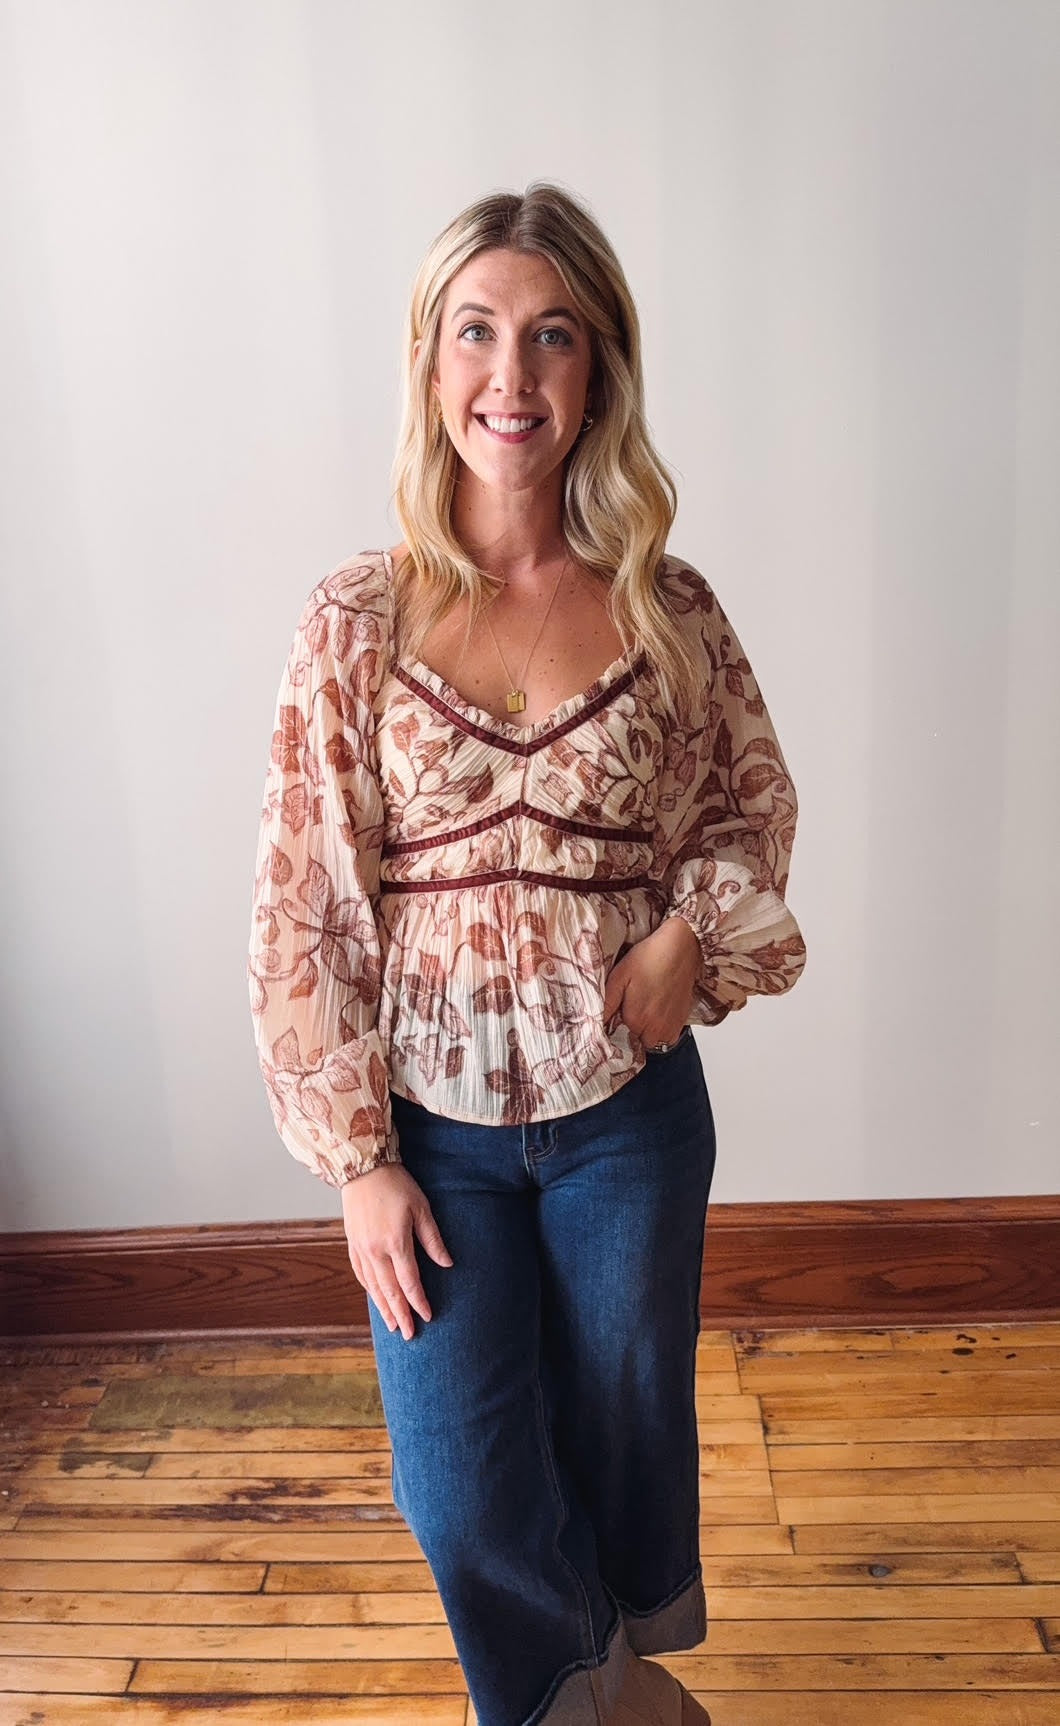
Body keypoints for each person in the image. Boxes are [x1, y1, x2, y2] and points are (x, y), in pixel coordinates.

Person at [248, 181, 806, 1726]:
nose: (514, 374)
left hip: (627, 1121)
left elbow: (755, 815)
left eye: (554, 336)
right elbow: (305, 900)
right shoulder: (353, 624)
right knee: (463, 1488)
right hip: (433, 1140)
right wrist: (358, 1156)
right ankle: (615, 1704)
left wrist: (691, 937)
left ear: (601, 372)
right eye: (479, 332)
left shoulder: (666, 611)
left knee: (618, 1438)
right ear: (431, 365)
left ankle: (600, 1685)